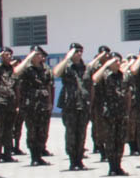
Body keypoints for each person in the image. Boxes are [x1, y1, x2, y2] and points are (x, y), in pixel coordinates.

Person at [91, 51, 131, 176]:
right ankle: (112, 167)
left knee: (120, 141)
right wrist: (105, 65)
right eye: (115, 61)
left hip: (121, 113)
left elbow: (128, 93)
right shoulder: (104, 75)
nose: (117, 63)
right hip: (109, 113)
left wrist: (128, 110)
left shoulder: (124, 76)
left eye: (119, 61)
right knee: (110, 141)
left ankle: (118, 166)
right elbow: (94, 78)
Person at [14, 47, 55, 166]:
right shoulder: (26, 68)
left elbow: (49, 86)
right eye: (36, 54)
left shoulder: (46, 69)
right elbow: (16, 72)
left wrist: (50, 102)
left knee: (42, 132)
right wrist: (27, 59)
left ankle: (40, 155)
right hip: (30, 106)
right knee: (32, 132)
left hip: (43, 105)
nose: (39, 56)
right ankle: (34, 157)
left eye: (39, 54)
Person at [52, 43, 90, 171]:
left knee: (82, 134)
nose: (78, 53)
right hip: (70, 105)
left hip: (83, 105)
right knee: (71, 133)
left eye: (80, 51)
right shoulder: (66, 66)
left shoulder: (85, 68)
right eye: (75, 51)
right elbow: (56, 73)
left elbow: (90, 86)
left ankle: (79, 159)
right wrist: (66, 58)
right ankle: (73, 161)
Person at [90, 45, 112, 159]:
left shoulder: (110, 66)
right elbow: (89, 68)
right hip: (98, 101)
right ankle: (101, 150)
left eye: (107, 53)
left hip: (110, 101)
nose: (106, 55)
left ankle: (109, 150)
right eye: (103, 53)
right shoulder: (96, 66)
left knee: (109, 127)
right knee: (99, 127)